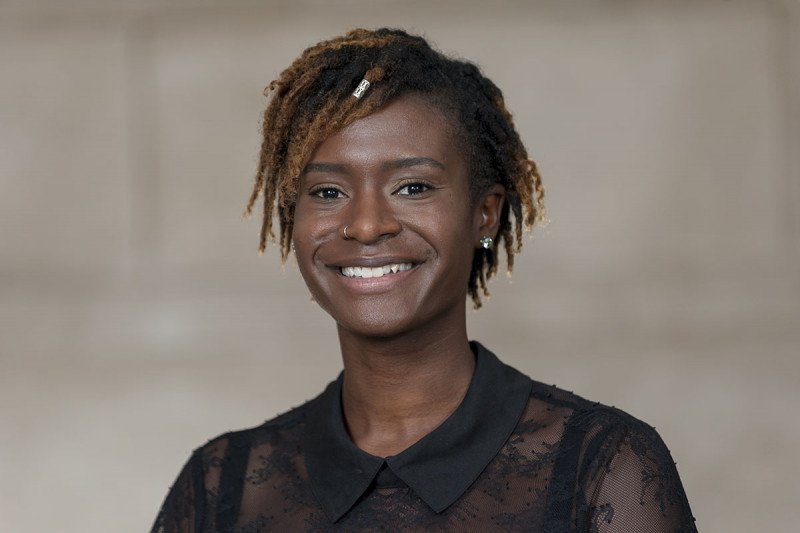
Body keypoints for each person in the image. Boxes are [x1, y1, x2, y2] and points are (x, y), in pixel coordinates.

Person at [151, 28, 697, 532]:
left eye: (412, 187)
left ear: (484, 214)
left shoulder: (601, 469)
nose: (367, 225)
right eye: (327, 192)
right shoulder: (220, 489)